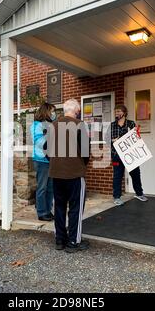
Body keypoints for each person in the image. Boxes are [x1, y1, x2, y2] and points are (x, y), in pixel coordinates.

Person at [48, 99, 90, 253]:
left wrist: (56, 162)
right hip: (74, 173)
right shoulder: (80, 124)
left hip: (56, 173)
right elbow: (85, 152)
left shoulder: (52, 126)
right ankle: (73, 241)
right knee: (75, 208)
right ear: (77, 110)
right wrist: (80, 164)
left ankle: (60, 240)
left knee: (58, 207)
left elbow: (46, 149)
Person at [109, 104, 148, 206]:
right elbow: (106, 139)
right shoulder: (112, 125)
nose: (117, 113)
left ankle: (139, 194)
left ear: (124, 113)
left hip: (131, 154)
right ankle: (117, 197)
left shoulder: (131, 123)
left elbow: (137, 137)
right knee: (117, 176)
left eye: (119, 111)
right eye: (115, 111)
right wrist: (112, 140)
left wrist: (136, 134)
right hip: (116, 155)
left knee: (135, 174)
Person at [30, 102, 56, 221]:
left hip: (51, 160)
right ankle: (41, 212)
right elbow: (39, 141)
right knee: (42, 188)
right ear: (46, 111)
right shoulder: (37, 125)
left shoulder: (51, 124)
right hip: (41, 160)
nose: (54, 113)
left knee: (50, 188)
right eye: (52, 111)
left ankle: (48, 210)